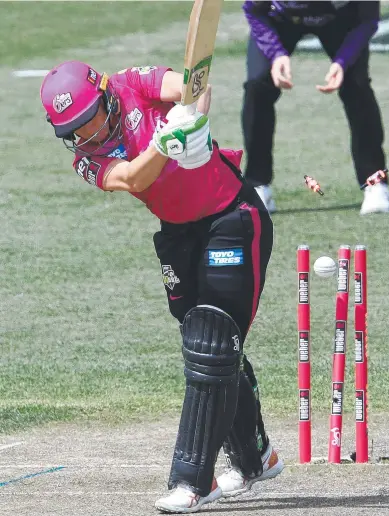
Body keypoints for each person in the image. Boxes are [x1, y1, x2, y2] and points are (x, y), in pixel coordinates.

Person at [40, 60, 284, 514]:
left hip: (232, 217)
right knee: (211, 348)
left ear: (105, 95)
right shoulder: (87, 161)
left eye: (87, 118)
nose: (85, 134)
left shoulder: (134, 83)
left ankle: (193, 481)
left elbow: (194, 86)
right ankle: (256, 458)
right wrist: (166, 144)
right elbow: (133, 177)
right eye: (72, 130)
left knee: (212, 342)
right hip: (178, 237)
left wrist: (193, 118)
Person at [242, 0, 389, 215]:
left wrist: (343, 61)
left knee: (357, 86)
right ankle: (257, 184)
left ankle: (375, 183)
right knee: (258, 86)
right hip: (281, 18)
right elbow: (253, 10)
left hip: (341, 17)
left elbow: (368, 19)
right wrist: (275, 53)